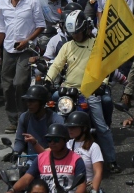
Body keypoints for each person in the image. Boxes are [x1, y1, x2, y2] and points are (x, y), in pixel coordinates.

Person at [47, 10, 120, 172]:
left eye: (78, 32)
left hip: (91, 91)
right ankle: (49, 154)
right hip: (67, 92)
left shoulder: (96, 45)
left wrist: (103, 84)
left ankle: (111, 160)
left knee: (102, 127)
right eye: (73, 33)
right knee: (55, 118)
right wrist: (48, 81)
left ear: (86, 28)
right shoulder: (67, 46)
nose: (76, 36)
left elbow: (104, 67)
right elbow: (56, 66)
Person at [0, 0, 46, 131]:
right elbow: (1, 27)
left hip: (26, 49)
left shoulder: (32, 2)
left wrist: (27, 41)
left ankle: (24, 117)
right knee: (7, 86)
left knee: (19, 83)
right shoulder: (3, 2)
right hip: (8, 48)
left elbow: (40, 25)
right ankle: (13, 120)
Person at [4, 122, 86, 193]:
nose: (52, 143)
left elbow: (82, 184)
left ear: (65, 140)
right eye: (49, 140)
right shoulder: (41, 158)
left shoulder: (76, 159)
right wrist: (12, 190)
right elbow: (27, 178)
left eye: (56, 140)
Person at [12, 85, 63, 155]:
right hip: (31, 161)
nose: (28, 104)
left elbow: (61, 144)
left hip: (51, 161)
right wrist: (16, 152)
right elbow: (20, 140)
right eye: (27, 101)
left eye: (32, 101)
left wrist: (44, 153)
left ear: (42, 103)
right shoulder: (24, 117)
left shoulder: (56, 120)